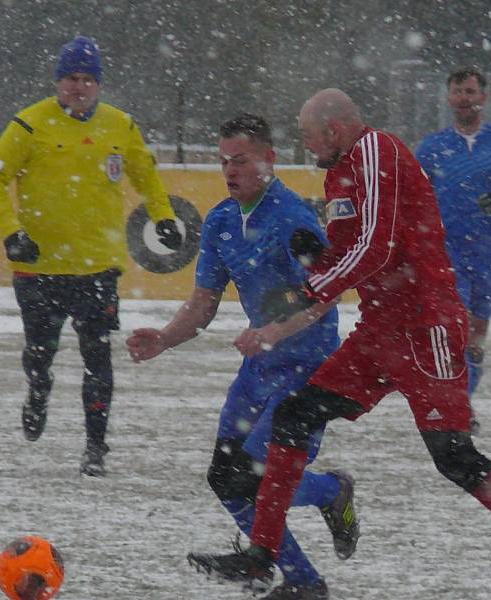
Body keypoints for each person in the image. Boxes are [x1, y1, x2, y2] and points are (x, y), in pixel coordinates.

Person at [186, 89, 491, 599]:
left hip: (427, 327)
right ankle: (262, 558)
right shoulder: (338, 174)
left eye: (309, 137)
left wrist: (310, 286)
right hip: (380, 330)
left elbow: (375, 246)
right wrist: (318, 257)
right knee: (295, 415)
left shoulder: (376, 149)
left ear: (334, 130)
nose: (307, 149)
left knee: (455, 459)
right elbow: (357, 248)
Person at [126, 113, 359, 600]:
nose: (230, 171)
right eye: (224, 162)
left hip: (308, 367)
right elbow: (204, 301)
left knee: (262, 477)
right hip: (260, 367)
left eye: (241, 161)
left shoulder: (293, 217)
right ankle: (304, 582)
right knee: (225, 477)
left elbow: (325, 295)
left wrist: (274, 330)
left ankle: (331, 492)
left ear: (269, 159)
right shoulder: (221, 220)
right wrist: (165, 338)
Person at [0, 36, 182, 477]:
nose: (79, 87)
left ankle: (95, 447)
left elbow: (146, 175)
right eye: (71, 77)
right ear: (58, 80)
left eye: (88, 79)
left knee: (99, 359)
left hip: (97, 268)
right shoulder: (29, 125)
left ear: (99, 85)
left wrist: (162, 215)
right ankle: (38, 388)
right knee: (39, 353)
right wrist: (12, 234)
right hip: (39, 268)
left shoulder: (121, 126)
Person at [416, 66, 491, 406]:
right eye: (457, 92)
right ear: (449, 98)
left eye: (469, 92)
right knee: (455, 328)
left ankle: (464, 399)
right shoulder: (433, 146)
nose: (463, 99)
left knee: (477, 334)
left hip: (489, 253)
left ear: (483, 97)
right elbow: (414, 197)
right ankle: (456, 407)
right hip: (447, 253)